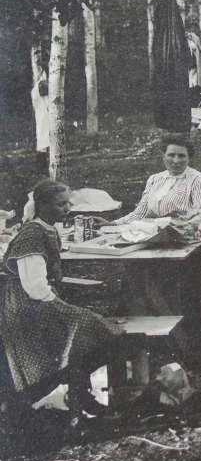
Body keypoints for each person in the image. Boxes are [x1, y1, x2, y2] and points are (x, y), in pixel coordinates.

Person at [1, 180, 122, 420]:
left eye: (68, 203)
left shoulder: (47, 228)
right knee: (92, 326)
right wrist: (58, 304)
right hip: (26, 305)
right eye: (60, 204)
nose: (67, 209)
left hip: (38, 300)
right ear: (42, 205)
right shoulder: (32, 235)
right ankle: (74, 393)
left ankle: (80, 391)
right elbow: (34, 286)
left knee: (96, 327)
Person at [109, 135, 201, 322]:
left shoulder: (199, 181)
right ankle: (142, 324)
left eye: (182, 156)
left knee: (182, 291)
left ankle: (187, 329)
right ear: (163, 155)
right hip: (161, 242)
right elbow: (140, 213)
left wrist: (193, 233)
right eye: (171, 155)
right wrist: (112, 225)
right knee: (137, 275)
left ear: (189, 158)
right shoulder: (155, 180)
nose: (176, 161)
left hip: (197, 247)